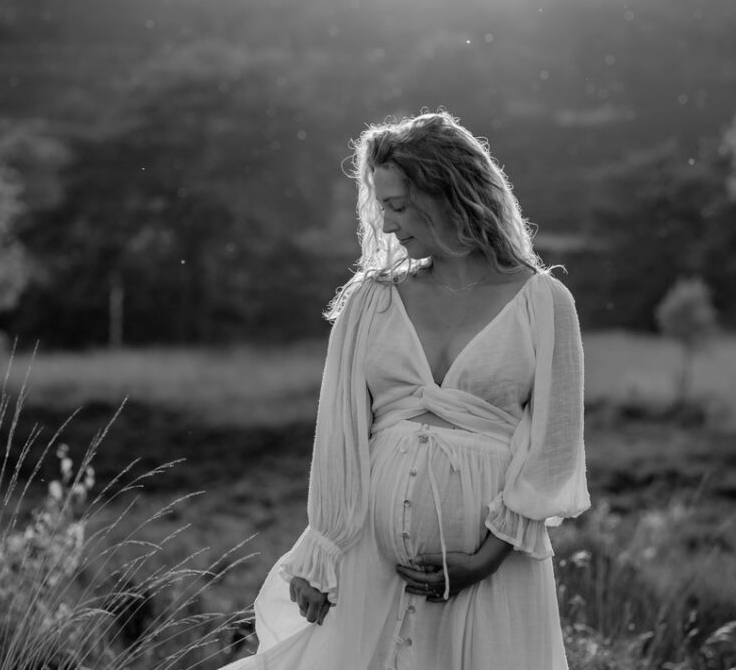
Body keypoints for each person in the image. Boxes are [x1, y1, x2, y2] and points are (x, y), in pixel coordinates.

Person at [221, 111, 589, 669]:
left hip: (495, 573)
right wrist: (321, 553)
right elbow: (339, 435)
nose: (388, 227)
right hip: (366, 563)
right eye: (382, 209)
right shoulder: (370, 301)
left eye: (396, 206)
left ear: (449, 193)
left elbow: (552, 454)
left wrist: (484, 560)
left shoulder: (544, 302)